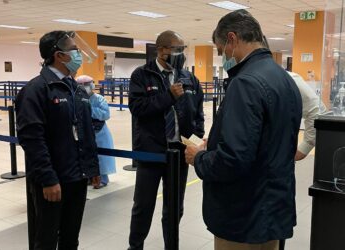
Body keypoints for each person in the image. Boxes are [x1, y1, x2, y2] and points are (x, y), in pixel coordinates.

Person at [185, 10, 302, 250]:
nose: (223, 56)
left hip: (243, 216)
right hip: (273, 209)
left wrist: (199, 158)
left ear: (232, 39)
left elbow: (233, 160)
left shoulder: (245, 83)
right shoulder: (284, 78)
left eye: (220, 50)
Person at [16, 30, 100, 250]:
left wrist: (92, 169)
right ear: (59, 55)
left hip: (77, 177)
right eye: (74, 49)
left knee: (71, 238)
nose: (79, 54)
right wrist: (48, 179)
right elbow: (32, 139)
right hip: (53, 181)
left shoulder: (76, 89)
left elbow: (86, 131)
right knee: (46, 239)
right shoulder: (36, 90)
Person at [128, 30, 205, 250]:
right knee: (143, 205)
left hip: (180, 153)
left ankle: (171, 245)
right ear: (161, 49)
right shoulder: (142, 75)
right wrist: (168, 96)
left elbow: (198, 112)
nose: (181, 54)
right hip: (151, 152)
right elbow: (137, 108)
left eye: (183, 49)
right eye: (177, 49)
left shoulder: (189, 78)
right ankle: (135, 246)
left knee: (174, 207)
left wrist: (195, 139)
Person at [76, 75, 116, 188]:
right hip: (85, 131)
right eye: (81, 85)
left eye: (87, 84)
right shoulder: (78, 99)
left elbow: (105, 114)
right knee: (87, 154)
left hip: (100, 132)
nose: (85, 87)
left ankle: (103, 179)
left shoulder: (99, 99)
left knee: (102, 157)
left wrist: (89, 109)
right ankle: (89, 177)